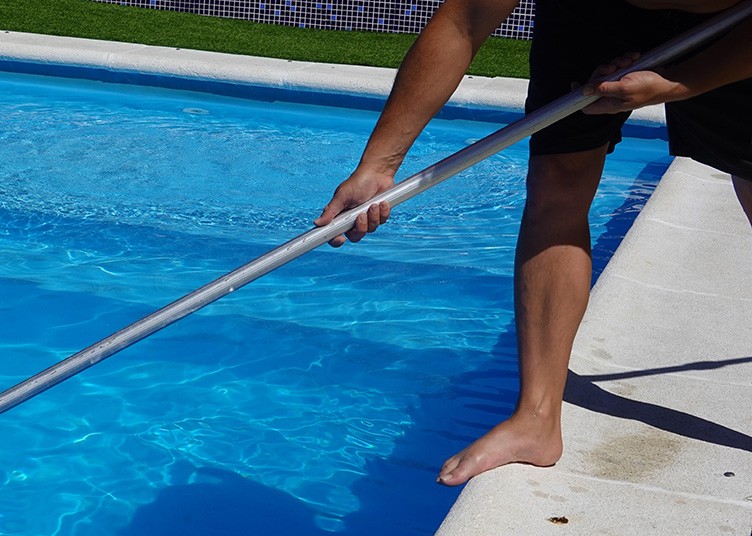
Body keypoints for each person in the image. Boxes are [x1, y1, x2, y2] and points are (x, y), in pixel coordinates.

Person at [313, 0, 752, 486]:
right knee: (556, 184)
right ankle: (536, 419)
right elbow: (465, 20)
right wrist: (379, 164)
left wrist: (680, 82)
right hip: (592, 14)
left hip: (734, 22)